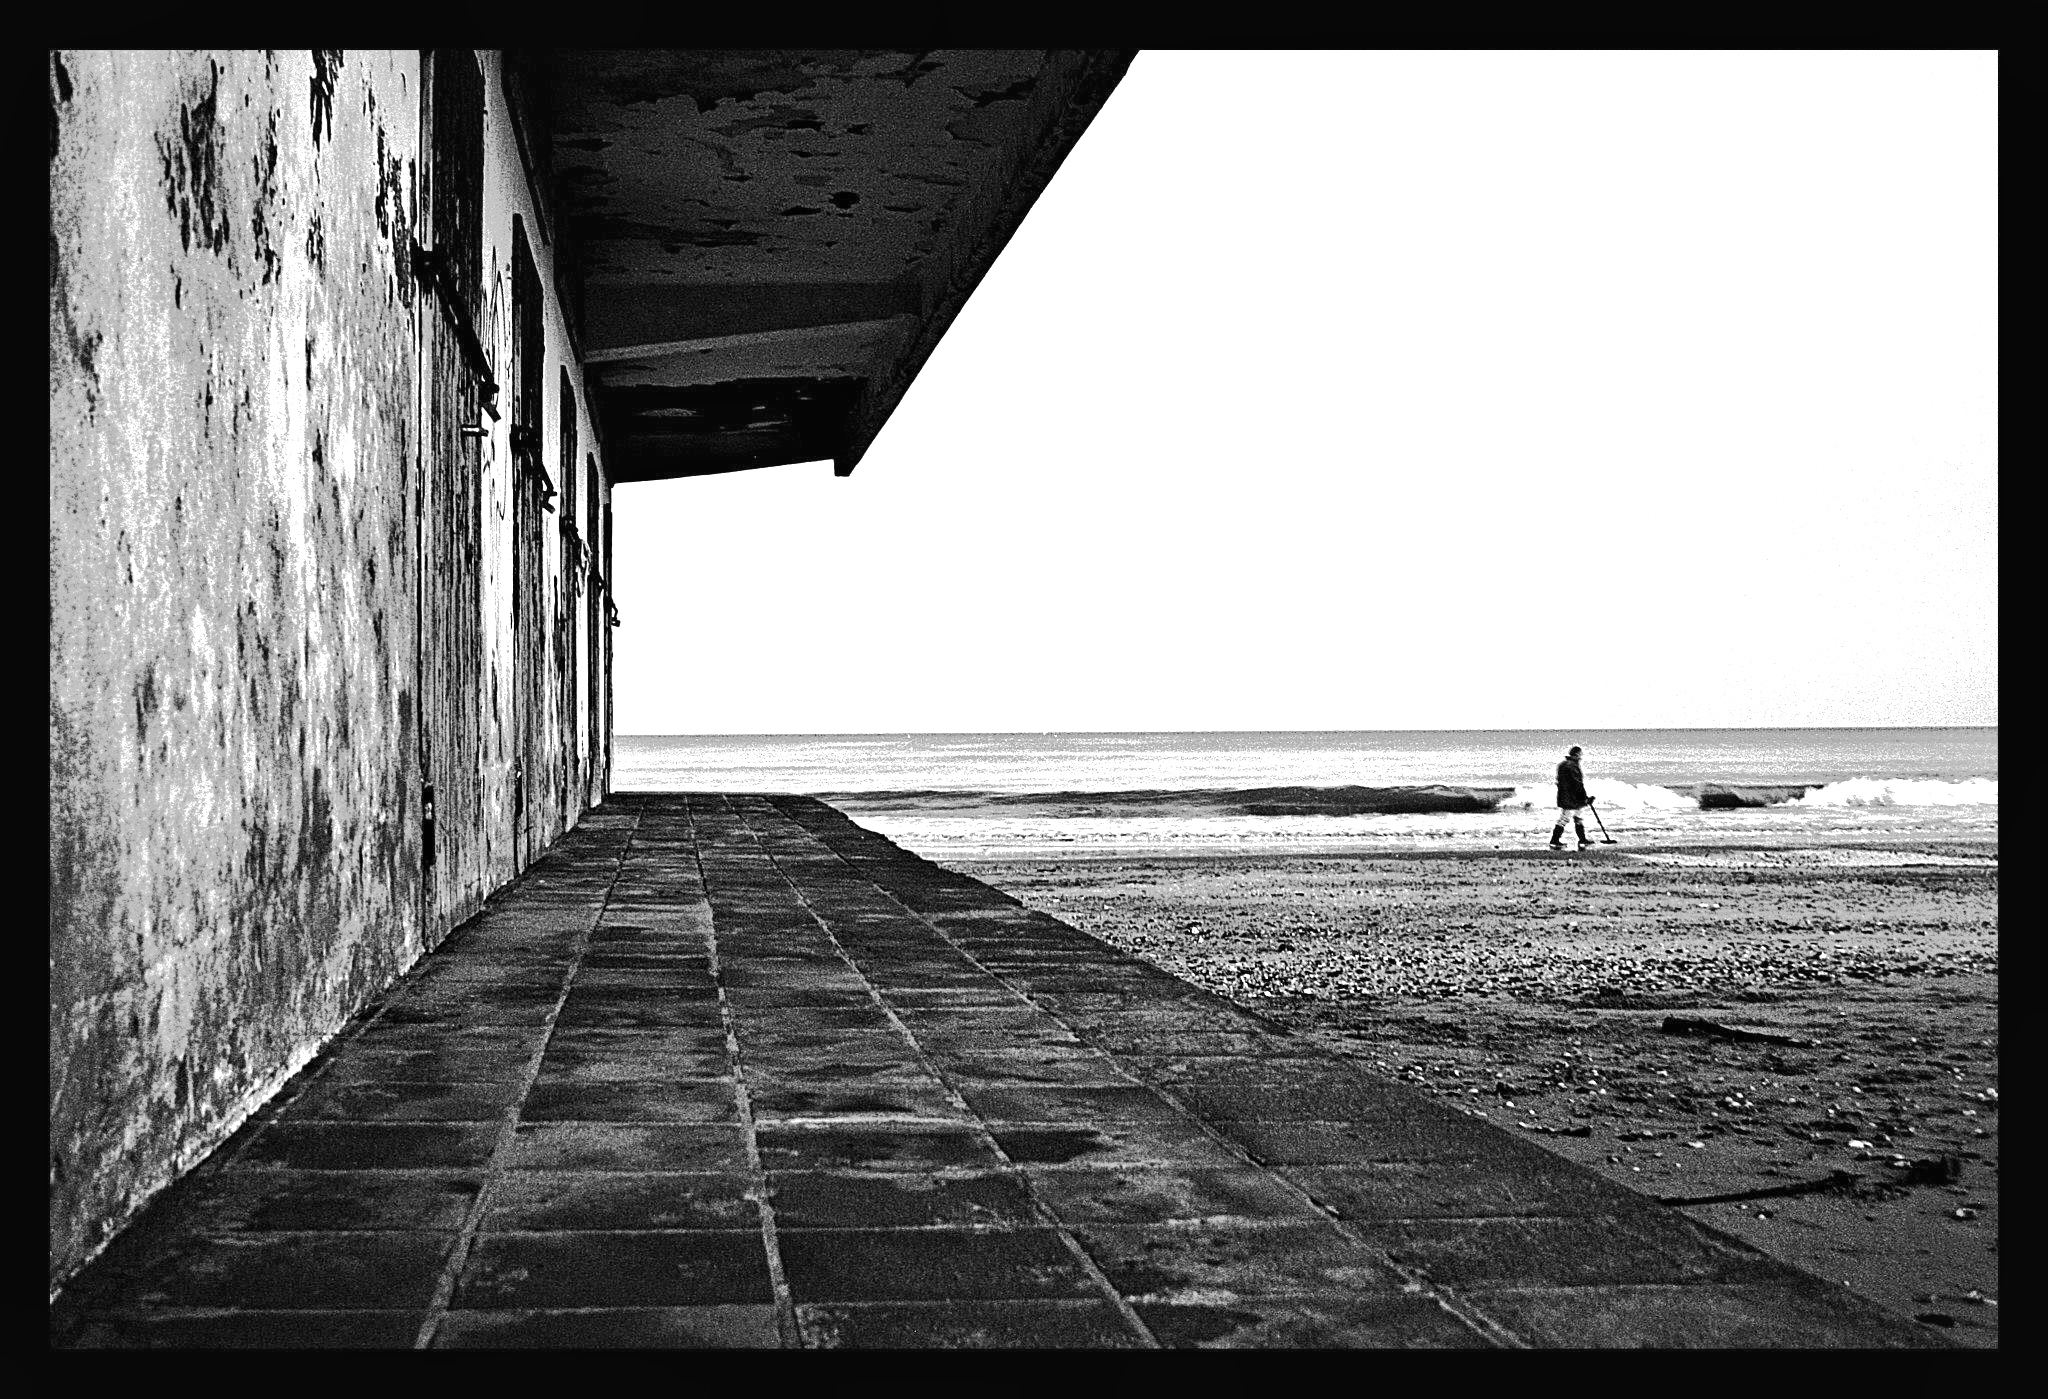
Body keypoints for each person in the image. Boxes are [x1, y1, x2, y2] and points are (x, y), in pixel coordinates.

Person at [1551, 745, 1596, 849]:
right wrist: (1585, 798)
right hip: (1572, 798)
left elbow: (1560, 782)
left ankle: (1582, 839)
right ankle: (1554, 841)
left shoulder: (1562, 765)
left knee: (1577, 817)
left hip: (1564, 796)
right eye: (1580, 754)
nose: (1581, 757)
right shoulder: (1573, 766)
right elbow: (1577, 784)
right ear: (1577, 754)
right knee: (1565, 818)